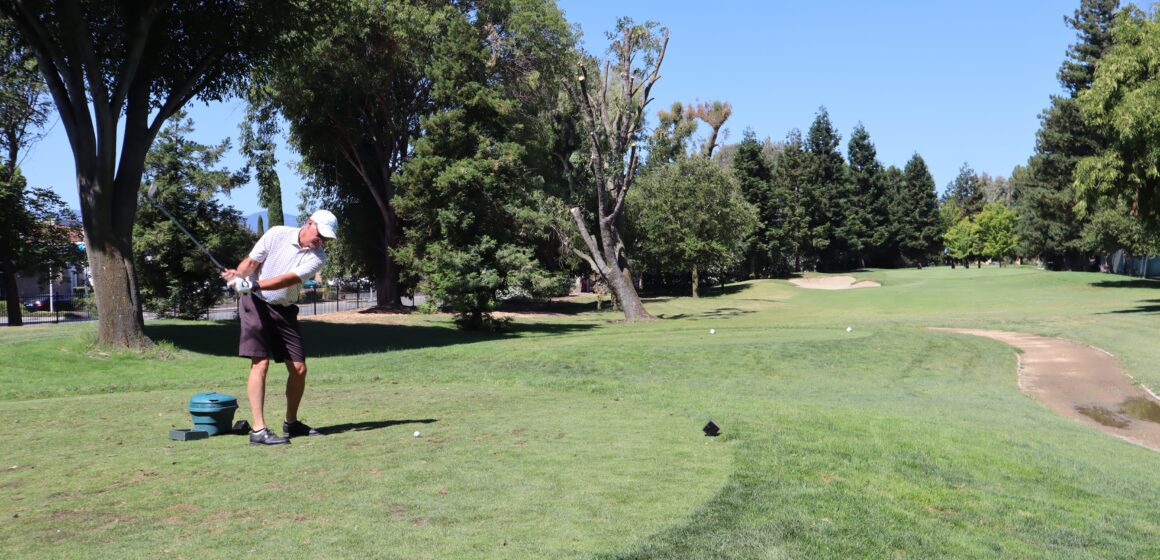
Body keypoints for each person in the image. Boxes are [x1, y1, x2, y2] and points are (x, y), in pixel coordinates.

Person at [221, 210, 338, 445]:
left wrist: (252, 284)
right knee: (260, 362)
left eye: (326, 238)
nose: (321, 241)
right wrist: (238, 277)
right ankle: (258, 430)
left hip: (283, 308)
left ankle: (291, 423)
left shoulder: (318, 257)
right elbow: (252, 262)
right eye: (320, 234)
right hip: (256, 303)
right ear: (309, 223)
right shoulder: (277, 234)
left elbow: (290, 279)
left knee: (299, 368)